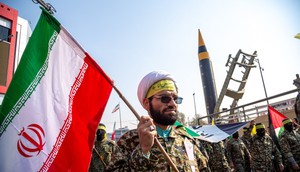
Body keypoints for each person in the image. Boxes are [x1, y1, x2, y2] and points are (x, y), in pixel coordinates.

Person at [106, 70, 208, 171]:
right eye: (164, 98)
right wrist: (143, 151)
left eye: (175, 99)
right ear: (146, 103)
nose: (173, 104)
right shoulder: (130, 141)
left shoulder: (187, 140)